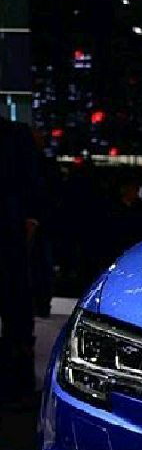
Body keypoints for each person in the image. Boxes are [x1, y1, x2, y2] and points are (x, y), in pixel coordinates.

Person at [0, 115, 44, 404]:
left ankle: (18, 381)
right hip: (12, 228)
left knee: (15, 302)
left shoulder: (15, 134)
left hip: (10, 230)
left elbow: (31, 180)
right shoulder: (16, 133)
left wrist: (31, 219)